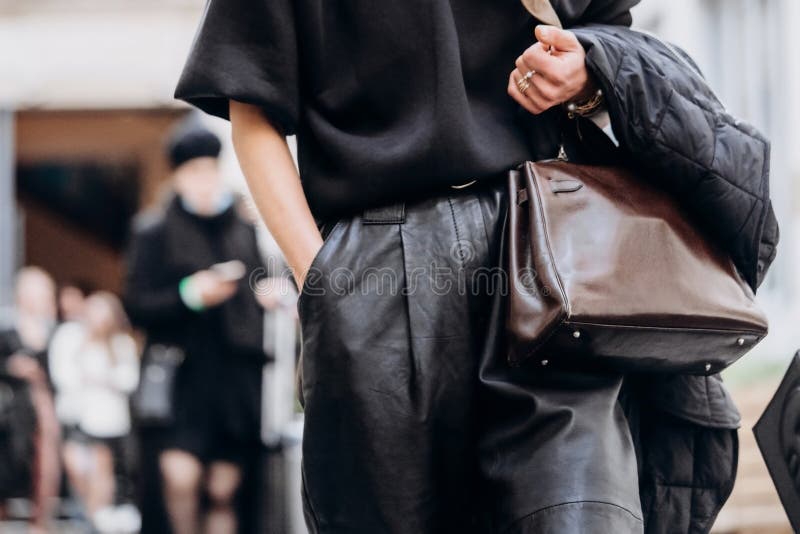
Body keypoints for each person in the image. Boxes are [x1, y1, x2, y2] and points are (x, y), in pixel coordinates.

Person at [174, 1, 778, 533]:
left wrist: (585, 75)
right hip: (380, 268)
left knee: (583, 511)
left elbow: (601, 35)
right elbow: (254, 112)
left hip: (546, 254)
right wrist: (325, 284)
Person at [123, 122, 268, 534]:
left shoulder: (242, 230)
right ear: (178, 176)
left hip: (233, 378)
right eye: (194, 172)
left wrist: (266, 299)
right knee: (179, 478)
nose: (204, 182)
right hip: (180, 377)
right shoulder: (153, 230)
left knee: (224, 489)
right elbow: (137, 305)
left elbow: (257, 287)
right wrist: (190, 294)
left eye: (210, 170)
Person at [49, 291, 140, 532]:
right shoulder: (71, 336)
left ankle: (95, 519)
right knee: (77, 467)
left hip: (106, 421)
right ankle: (94, 516)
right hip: (75, 417)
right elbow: (63, 375)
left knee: (101, 470)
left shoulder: (121, 343)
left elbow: (128, 380)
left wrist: (101, 377)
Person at [0, 267, 61, 533]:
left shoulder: (55, 330)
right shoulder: (6, 326)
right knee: (10, 456)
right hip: (12, 405)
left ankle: (40, 518)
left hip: (46, 403)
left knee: (47, 459)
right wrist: (10, 367)